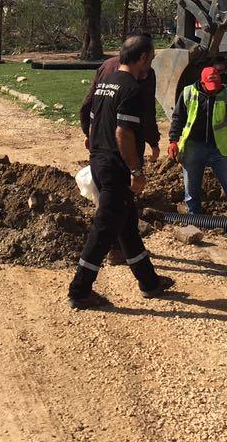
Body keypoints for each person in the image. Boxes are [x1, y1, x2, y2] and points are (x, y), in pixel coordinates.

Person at [68, 35, 175, 310]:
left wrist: (95, 153)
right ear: (142, 58)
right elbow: (123, 132)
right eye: (151, 59)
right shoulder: (132, 88)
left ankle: (149, 282)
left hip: (99, 161)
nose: (151, 65)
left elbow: (92, 121)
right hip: (115, 167)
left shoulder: (106, 83)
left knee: (126, 225)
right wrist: (136, 170)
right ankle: (79, 290)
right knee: (103, 230)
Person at [167, 66, 227, 223]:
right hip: (193, 146)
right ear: (202, 83)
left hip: (218, 147)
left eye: (216, 87)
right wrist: (173, 141)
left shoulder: (225, 94)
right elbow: (178, 118)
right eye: (210, 88)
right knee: (191, 189)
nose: (214, 91)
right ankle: (195, 221)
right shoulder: (188, 93)